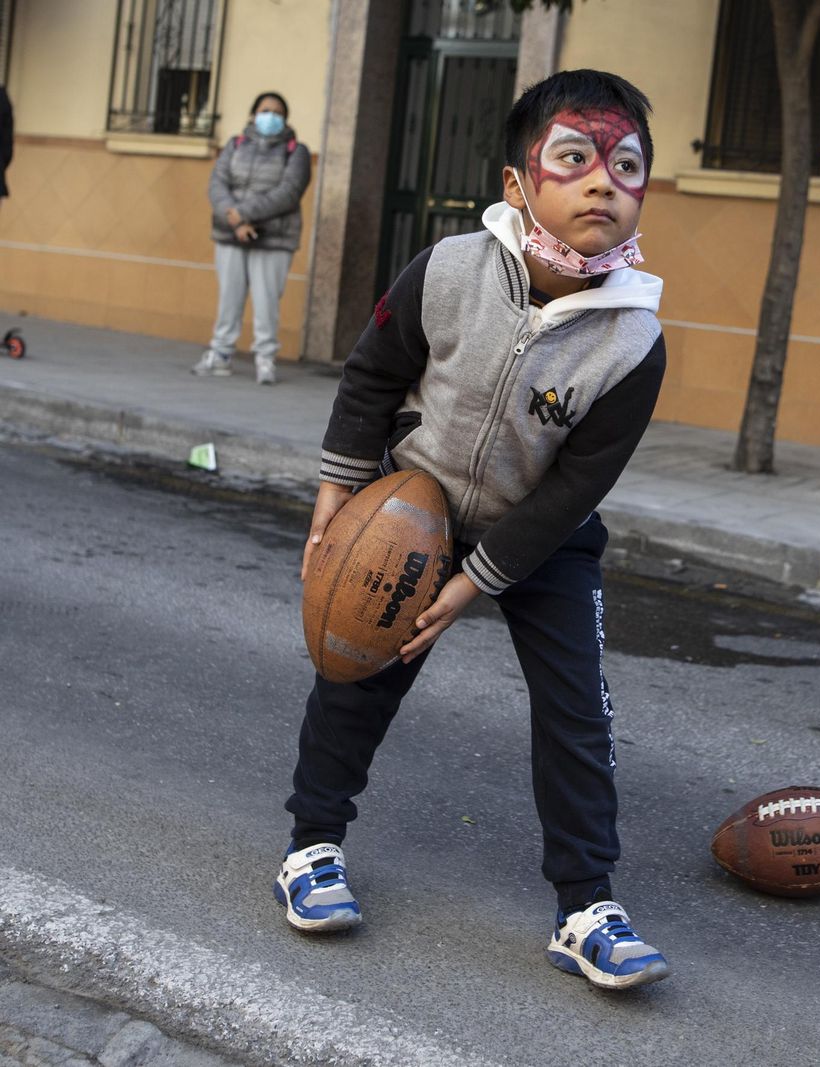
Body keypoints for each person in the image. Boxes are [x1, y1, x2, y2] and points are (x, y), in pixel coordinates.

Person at [275, 70, 670, 991]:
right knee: (358, 670)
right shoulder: (450, 268)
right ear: (518, 184)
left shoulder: (634, 342)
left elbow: (575, 486)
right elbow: (372, 375)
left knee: (578, 712)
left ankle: (586, 906)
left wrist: (478, 580)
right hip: (411, 509)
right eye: (573, 157)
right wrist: (339, 488)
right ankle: (312, 846)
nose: (602, 181)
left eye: (627, 164)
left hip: (543, 539)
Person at [194, 92, 311, 384]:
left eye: (277, 112)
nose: (270, 116)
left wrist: (243, 214)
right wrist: (235, 221)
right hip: (232, 234)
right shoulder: (235, 145)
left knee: (266, 301)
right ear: (252, 114)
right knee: (229, 298)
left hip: (274, 238)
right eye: (264, 110)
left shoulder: (296, 152)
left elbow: (288, 193)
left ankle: (265, 359)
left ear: (285, 118)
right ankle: (220, 354)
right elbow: (217, 185)